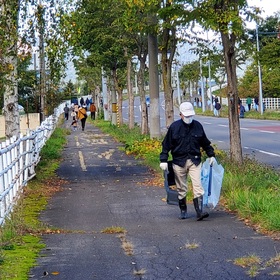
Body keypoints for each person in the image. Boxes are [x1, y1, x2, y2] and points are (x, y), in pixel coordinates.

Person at [160, 102, 216, 221]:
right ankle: (183, 209)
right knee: (181, 187)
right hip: (178, 162)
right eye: (186, 116)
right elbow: (166, 145)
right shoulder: (174, 128)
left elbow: (205, 142)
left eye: (191, 116)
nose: (189, 118)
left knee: (198, 186)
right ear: (180, 115)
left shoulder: (198, 126)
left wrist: (211, 155)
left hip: (194, 160)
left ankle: (199, 211)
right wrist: (163, 159)